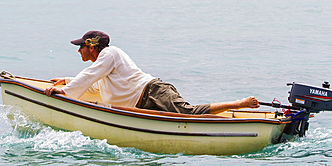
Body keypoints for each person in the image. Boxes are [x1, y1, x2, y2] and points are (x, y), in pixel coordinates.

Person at [44, 31, 260, 115]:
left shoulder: (109, 53)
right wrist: (66, 81)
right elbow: (93, 83)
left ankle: (238, 103)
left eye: (81, 46)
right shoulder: (103, 66)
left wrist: (66, 91)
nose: (79, 50)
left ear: (92, 47)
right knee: (187, 114)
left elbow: (90, 75)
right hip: (141, 102)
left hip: (152, 91)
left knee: (189, 113)